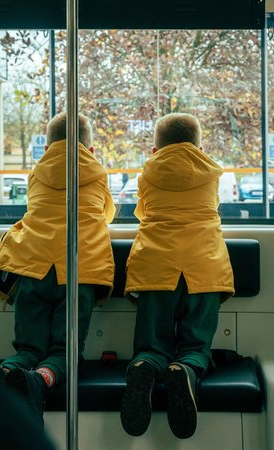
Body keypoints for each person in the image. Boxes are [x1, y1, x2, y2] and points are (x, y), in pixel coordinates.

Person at [0, 112, 116, 425]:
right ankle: (40, 380)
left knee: (28, 347)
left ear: (47, 148)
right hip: (77, 273)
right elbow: (105, 214)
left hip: (32, 267)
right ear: (91, 150)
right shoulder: (96, 172)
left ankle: (7, 371)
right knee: (63, 352)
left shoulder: (37, 172)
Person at [120, 112, 235, 439]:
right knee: (196, 340)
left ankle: (145, 364)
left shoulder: (147, 172)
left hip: (156, 264)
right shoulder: (212, 172)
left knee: (151, 339)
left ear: (156, 149)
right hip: (205, 264)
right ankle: (186, 367)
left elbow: (143, 212)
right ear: (199, 145)